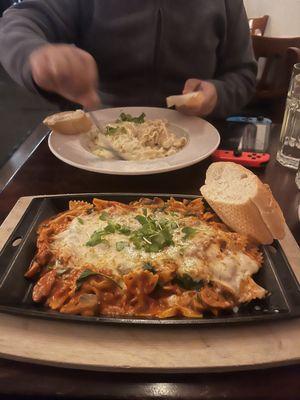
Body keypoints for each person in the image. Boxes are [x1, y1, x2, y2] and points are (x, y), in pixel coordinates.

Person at [0, 0, 257, 119]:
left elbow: (243, 75)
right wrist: (35, 55)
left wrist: (217, 94)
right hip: (98, 142)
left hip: (196, 147)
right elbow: (18, 22)